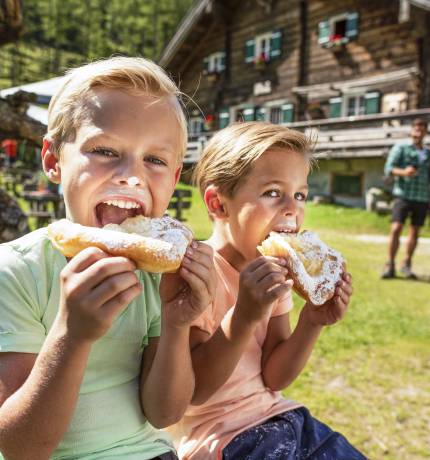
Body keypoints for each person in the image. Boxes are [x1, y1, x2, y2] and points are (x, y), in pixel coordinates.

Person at [0, 57, 216, 460]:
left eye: (154, 160)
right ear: (52, 160)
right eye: (104, 150)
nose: (132, 176)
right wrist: (72, 335)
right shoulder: (15, 271)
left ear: (173, 178)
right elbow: (20, 448)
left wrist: (176, 324)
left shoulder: (158, 279)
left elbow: (164, 413)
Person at [168, 122, 366, 459]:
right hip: (221, 439)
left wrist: (312, 322)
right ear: (218, 203)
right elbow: (196, 392)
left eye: (300, 194)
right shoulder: (197, 272)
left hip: (283, 418)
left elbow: (274, 378)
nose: (292, 207)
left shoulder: (275, 271)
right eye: (273, 192)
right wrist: (243, 316)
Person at [381, 118, 430, 279]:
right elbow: (388, 168)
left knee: (415, 231)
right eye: (416, 128)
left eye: (422, 129)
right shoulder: (401, 147)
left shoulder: (428, 153)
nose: (419, 131)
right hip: (403, 195)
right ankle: (390, 264)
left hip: (422, 197)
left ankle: (406, 264)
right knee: (396, 229)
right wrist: (403, 172)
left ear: (425, 132)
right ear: (412, 130)